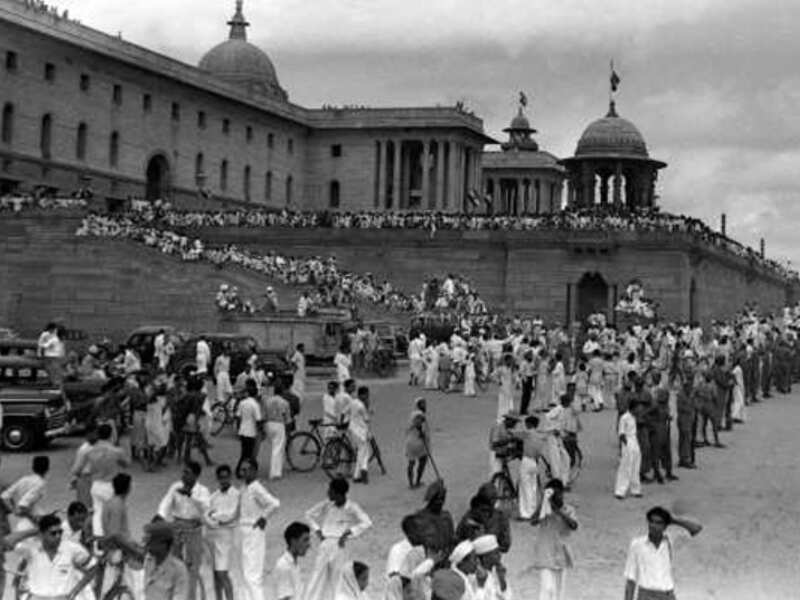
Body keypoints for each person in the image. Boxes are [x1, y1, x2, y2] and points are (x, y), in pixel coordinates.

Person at [304, 478, 372, 600]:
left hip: (340, 545)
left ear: (338, 493)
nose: (328, 493)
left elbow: (367, 522)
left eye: (331, 491)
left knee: (338, 578)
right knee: (317, 575)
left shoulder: (352, 507)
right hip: (325, 543)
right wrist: (318, 530)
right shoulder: (327, 505)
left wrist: (349, 532)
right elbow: (308, 514)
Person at [156, 461, 210, 600]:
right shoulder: (176, 486)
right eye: (183, 472)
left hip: (194, 530)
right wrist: (160, 516)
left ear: (196, 475)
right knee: (173, 565)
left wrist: (190, 495)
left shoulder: (202, 491)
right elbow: (165, 503)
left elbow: (206, 508)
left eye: (187, 473)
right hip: (177, 528)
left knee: (192, 569)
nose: (183, 475)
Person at [623, 506, 703, 600]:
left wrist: (674, 520)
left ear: (665, 526)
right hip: (646, 595)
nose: (653, 525)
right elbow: (631, 580)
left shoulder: (671, 540)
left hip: (668, 595)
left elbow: (696, 528)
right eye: (651, 521)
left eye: (658, 523)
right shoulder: (637, 544)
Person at [10, 513, 92, 599]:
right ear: (42, 534)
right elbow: (5, 542)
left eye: (60, 532)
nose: (58, 536)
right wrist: (34, 531)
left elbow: (93, 567)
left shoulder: (72, 549)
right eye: (53, 533)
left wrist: (76, 590)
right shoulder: (31, 549)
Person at [70, 423, 130, 536]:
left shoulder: (89, 451)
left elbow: (75, 470)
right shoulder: (116, 451)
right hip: (111, 486)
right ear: (111, 435)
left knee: (97, 514)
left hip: (96, 485)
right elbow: (127, 464)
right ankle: (114, 540)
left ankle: (98, 542)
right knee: (114, 515)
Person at [238, 457, 280, 600]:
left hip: (253, 532)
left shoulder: (256, 487)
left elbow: (274, 504)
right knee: (245, 573)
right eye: (242, 469)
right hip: (244, 532)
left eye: (246, 470)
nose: (243, 473)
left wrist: (263, 517)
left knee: (253, 575)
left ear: (254, 471)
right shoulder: (244, 487)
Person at [530, 479, 578, 600]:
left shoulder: (569, 509)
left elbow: (574, 525)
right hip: (545, 554)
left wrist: (559, 511)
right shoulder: (545, 510)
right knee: (547, 589)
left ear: (561, 493)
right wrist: (543, 503)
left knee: (559, 591)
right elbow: (533, 521)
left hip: (561, 555)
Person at [206, 465, 239, 600]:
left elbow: (231, 516)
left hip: (227, 538)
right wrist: (216, 517)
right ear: (218, 479)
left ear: (230, 477)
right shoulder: (214, 496)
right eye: (221, 478)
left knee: (222, 573)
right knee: (215, 574)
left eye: (226, 477)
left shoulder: (236, 494)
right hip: (213, 537)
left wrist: (215, 516)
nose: (224, 480)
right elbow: (206, 514)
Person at [2, 455, 50, 532]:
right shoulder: (40, 483)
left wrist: (14, 511)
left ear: (33, 467)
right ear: (47, 469)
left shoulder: (24, 479)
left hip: (22, 522)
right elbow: (23, 504)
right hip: (33, 521)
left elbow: (4, 496)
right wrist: (33, 518)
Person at [511, 415, 545, 520]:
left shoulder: (527, 434)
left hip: (526, 461)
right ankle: (533, 509)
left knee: (524, 488)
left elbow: (514, 434)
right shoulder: (540, 436)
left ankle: (526, 513)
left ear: (529, 424)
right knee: (533, 486)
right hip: (535, 462)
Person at [415, 480, 456, 554]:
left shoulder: (446, 517)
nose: (440, 502)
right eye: (437, 499)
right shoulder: (420, 518)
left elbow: (452, 539)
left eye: (442, 499)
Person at [274, 521, 311, 600]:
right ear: (293, 541)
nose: (309, 544)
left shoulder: (293, 564)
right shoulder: (284, 566)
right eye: (305, 540)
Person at [615, 401, 642, 500]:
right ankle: (620, 490)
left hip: (634, 440)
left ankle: (636, 489)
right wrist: (626, 445)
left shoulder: (634, 417)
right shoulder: (624, 417)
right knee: (626, 466)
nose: (639, 410)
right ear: (633, 408)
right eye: (638, 408)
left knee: (636, 465)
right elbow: (621, 433)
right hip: (628, 441)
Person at [235, 379, 263, 476]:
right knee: (249, 453)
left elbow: (238, 417)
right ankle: (242, 470)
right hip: (251, 432)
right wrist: (260, 431)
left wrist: (238, 429)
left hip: (243, 431)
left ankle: (244, 470)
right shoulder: (255, 405)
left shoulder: (242, 403)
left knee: (244, 452)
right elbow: (258, 420)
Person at [264, 383, 291, 479]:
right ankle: (275, 472)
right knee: (278, 449)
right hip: (279, 424)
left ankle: (276, 470)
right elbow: (287, 419)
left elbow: (265, 414)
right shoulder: (285, 403)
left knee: (274, 447)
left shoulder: (268, 401)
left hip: (269, 424)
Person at [473, 534, 509, 600]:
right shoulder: (475, 577)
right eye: (495, 553)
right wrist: (481, 585)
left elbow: (507, 597)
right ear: (485, 558)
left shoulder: (497, 572)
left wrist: (502, 580)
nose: (499, 555)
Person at [405, 398, 430, 489]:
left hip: (411, 441)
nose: (425, 406)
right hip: (417, 442)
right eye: (422, 404)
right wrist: (422, 432)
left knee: (412, 462)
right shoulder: (418, 414)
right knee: (422, 461)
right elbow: (418, 423)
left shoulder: (413, 414)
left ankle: (412, 484)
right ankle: (416, 482)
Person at [350, 385, 371, 483]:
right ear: (362, 395)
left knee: (361, 452)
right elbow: (367, 419)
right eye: (366, 395)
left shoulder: (353, 402)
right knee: (363, 453)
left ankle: (357, 474)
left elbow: (346, 412)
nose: (367, 397)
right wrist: (368, 407)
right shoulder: (361, 406)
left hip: (353, 430)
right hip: (361, 431)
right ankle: (363, 471)